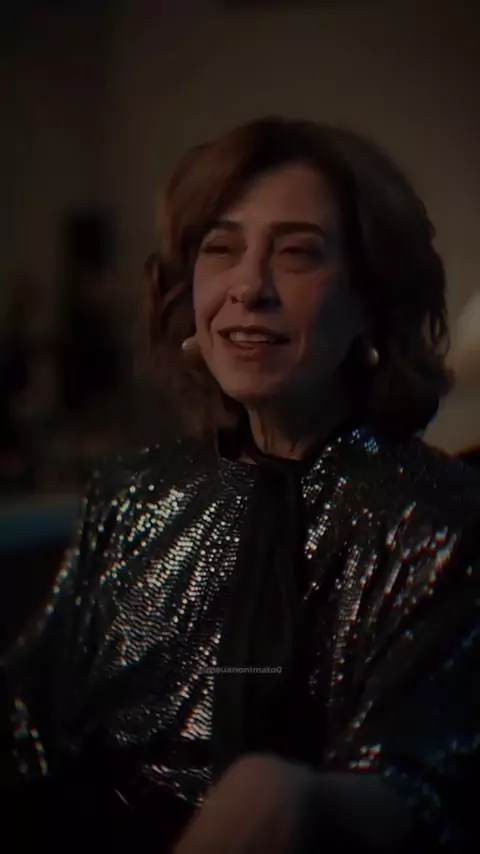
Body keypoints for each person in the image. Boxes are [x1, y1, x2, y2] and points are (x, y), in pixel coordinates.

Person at [1, 116, 480, 853]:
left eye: (297, 253)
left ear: (373, 299)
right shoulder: (132, 494)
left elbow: (427, 794)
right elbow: (28, 723)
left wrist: (302, 805)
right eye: (220, 249)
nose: (249, 287)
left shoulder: (441, 520)